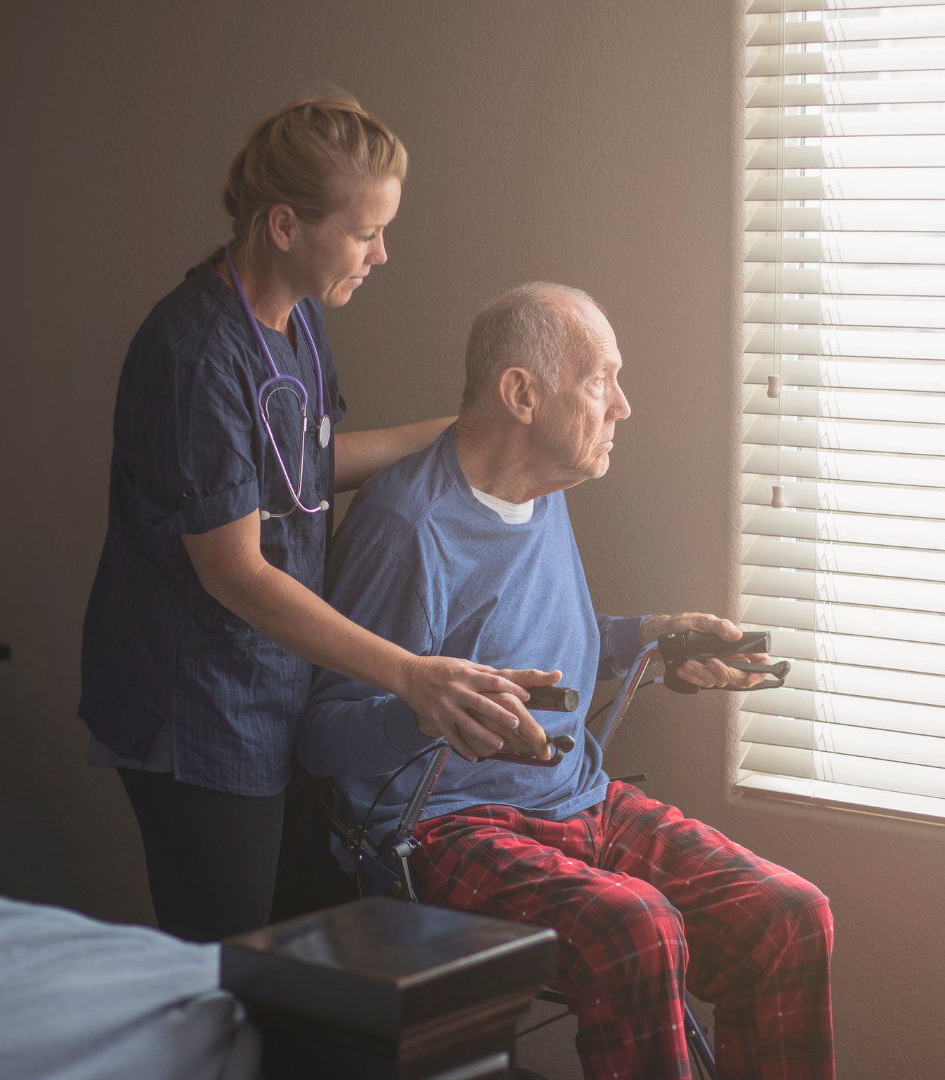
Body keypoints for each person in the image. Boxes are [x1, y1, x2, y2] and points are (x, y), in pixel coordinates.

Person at [301, 283, 834, 1080]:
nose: (622, 406)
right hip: (445, 828)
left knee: (791, 917)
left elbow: (543, 649)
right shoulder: (407, 528)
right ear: (522, 394)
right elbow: (323, 733)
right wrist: (429, 710)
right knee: (639, 927)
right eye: (599, 381)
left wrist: (652, 642)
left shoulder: (543, 492)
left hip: (578, 799)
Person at [78, 94, 553, 943]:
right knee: (229, 969)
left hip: (276, 686)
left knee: (309, 954)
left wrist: (461, 432)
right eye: (364, 232)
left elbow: (297, 471)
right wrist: (410, 673)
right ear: (285, 225)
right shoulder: (193, 355)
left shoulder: (299, 318)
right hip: (199, 706)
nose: (381, 254)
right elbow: (235, 569)